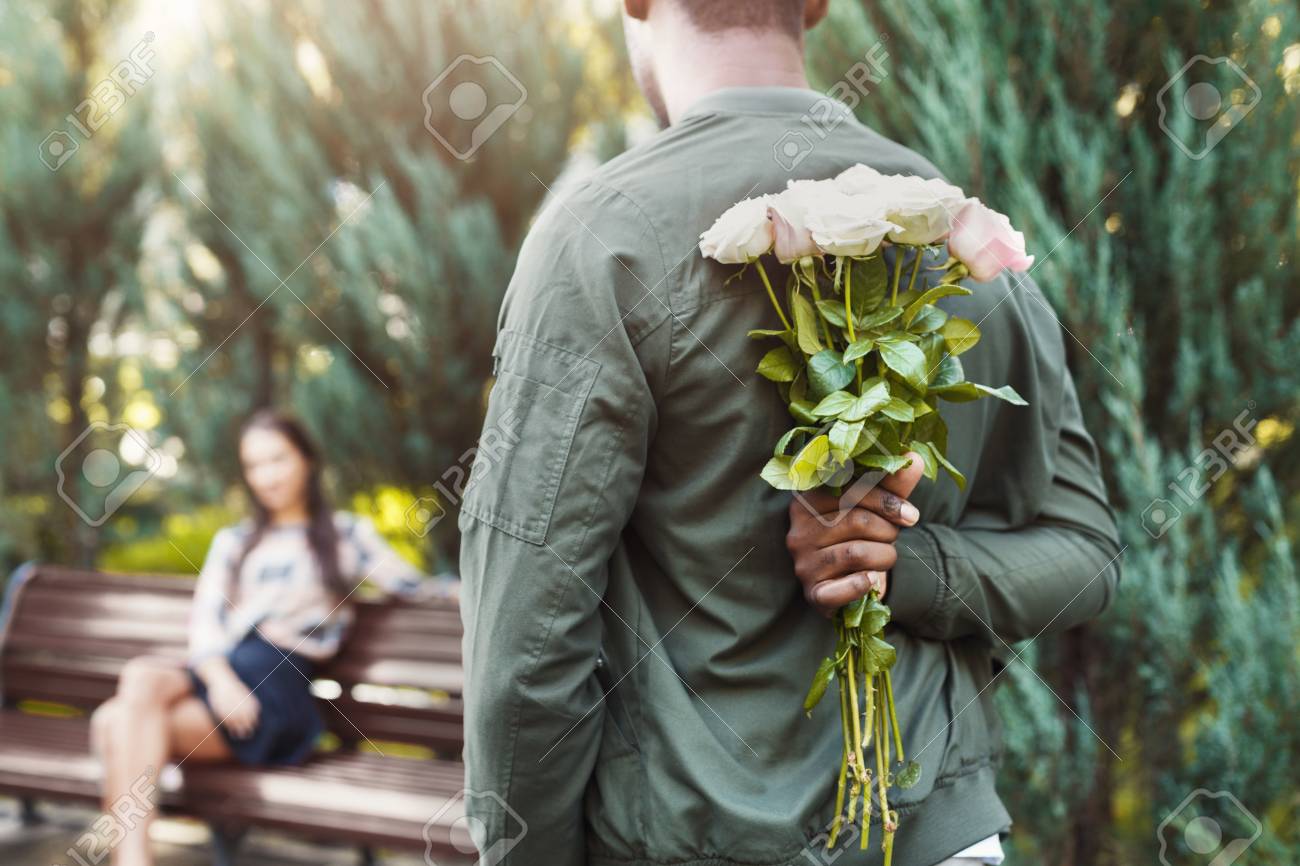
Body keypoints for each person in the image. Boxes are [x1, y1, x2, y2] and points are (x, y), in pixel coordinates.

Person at [457, 1, 1122, 865]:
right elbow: (1087, 552)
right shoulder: (969, 239)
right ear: (815, 5)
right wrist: (919, 569)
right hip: (942, 842)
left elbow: (524, 649)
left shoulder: (602, 237)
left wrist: (886, 564)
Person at [89, 409, 453, 866]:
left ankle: (128, 857)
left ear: (307, 460)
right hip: (227, 676)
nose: (266, 476)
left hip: (277, 689)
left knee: (114, 721)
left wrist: (467, 590)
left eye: (277, 459)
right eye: (254, 465)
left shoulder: (345, 535)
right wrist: (222, 683)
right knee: (138, 681)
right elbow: (204, 624)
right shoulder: (235, 541)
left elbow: (415, 588)